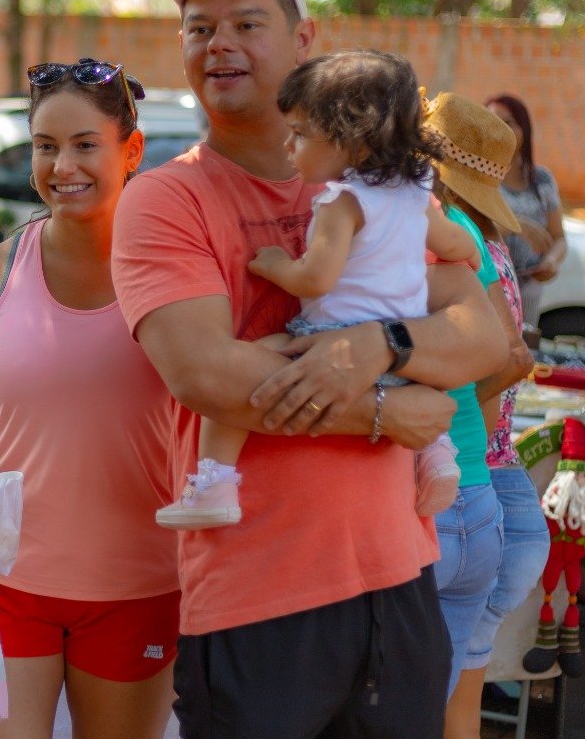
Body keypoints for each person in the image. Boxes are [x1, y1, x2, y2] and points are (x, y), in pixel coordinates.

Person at [111, 0, 508, 739]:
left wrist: (383, 346)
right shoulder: (166, 201)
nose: (220, 44)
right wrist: (382, 409)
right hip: (256, 591)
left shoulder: (390, 187)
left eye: (248, 22)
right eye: (198, 26)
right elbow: (209, 373)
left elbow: (484, 335)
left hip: (397, 578)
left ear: (304, 40)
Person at [0, 57, 180, 739]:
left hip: (138, 590)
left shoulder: (176, 275)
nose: (61, 166)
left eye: (84, 145)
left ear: (130, 151)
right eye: (43, 146)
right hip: (7, 586)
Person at [166, 50, 477, 531]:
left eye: (301, 134)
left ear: (350, 141)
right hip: (406, 355)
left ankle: (214, 483)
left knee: (250, 364)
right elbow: (453, 241)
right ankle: (437, 455)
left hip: (331, 339)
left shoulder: (341, 203)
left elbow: (316, 279)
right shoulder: (415, 191)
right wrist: (471, 256)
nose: (289, 145)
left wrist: (275, 267)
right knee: (422, 391)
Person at [404, 93, 537, 739]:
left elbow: (502, 366)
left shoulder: (434, 231)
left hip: (453, 495)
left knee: (420, 733)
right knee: (452, 729)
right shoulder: (487, 246)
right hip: (488, 495)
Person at [485, 94, 564, 326]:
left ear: (524, 129)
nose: (499, 129)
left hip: (528, 291)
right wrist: (516, 225)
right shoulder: (477, 177)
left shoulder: (541, 179)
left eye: (508, 122)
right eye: (491, 121)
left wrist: (551, 261)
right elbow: (470, 229)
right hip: (487, 287)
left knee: (522, 350)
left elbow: (559, 237)